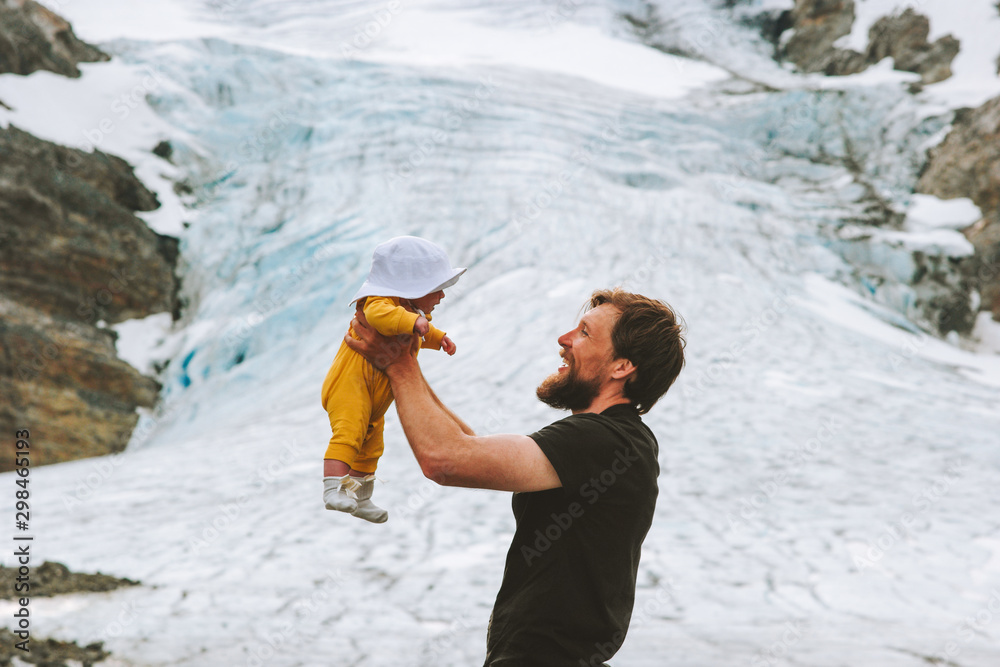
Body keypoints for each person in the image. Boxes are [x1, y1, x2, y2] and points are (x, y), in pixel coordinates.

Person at [344, 287, 686, 665]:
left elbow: (445, 459)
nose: (564, 339)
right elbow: (468, 446)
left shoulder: (605, 441)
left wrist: (397, 366)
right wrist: (405, 360)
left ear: (622, 367)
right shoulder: (617, 441)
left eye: (584, 333)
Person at [321, 236, 465, 523]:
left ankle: (360, 497)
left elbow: (419, 331)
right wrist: (414, 323)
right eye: (437, 289)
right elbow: (383, 318)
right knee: (349, 434)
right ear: (413, 286)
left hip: (374, 395)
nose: (442, 296)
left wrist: (439, 338)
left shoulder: (410, 314)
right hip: (350, 388)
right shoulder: (379, 303)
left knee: (371, 445)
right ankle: (332, 490)